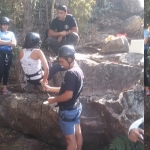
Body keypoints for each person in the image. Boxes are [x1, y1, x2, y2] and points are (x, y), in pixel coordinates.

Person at [43, 45, 84, 150]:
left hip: (68, 111)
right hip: (76, 107)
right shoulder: (78, 69)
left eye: (62, 61)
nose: (61, 64)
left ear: (69, 59)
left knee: (70, 141)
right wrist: (49, 88)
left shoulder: (70, 73)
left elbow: (68, 95)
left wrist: (53, 100)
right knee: (77, 134)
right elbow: (67, 90)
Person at [0, 17, 17, 94]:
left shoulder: (11, 33)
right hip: (1, 54)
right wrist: (8, 41)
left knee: (6, 71)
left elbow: (14, 44)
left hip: (9, 54)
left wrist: (4, 42)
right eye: (3, 24)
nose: (5, 26)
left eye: (6, 25)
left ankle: (4, 88)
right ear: (1, 25)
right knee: (1, 71)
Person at [144, 22, 150, 96]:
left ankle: (147, 89)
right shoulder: (138, 31)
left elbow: (145, 42)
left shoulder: (145, 31)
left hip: (144, 51)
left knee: (144, 70)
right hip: (137, 51)